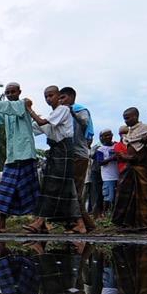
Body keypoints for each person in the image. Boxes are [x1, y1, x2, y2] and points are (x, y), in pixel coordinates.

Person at [23, 86, 87, 234]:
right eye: (46, 96)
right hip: (55, 150)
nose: (48, 99)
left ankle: (40, 221)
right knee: (61, 187)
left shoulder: (62, 110)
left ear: (58, 96)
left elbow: (41, 122)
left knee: (54, 186)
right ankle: (78, 223)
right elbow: (37, 127)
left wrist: (29, 109)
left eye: (51, 95)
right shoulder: (54, 114)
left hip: (63, 149)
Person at [0, 83, 40, 233]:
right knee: (5, 189)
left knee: (31, 191)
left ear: (19, 92)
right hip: (12, 157)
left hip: (26, 154)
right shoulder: (7, 112)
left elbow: (12, 108)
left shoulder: (23, 104)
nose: (10, 94)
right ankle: (1, 224)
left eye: (13, 92)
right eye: (7, 92)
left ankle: (40, 223)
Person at [111, 108, 147, 232]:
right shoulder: (128, 133)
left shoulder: (145, 128)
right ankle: (127, 223)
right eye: (124, 118)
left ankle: (142, 224)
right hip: (130, 167)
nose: (126, 121)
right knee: (126, 194)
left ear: (136, 116)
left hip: (142, 168)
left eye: (128, 118)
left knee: (143, 196)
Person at [58, 87, 96, 231]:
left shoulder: (80, 110)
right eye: (60, 98)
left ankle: (85, 223)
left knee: (76, 191)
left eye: (63, 98)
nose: (61, 101)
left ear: (72, 97)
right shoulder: (61, 113)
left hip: (79, 155)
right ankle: (76, 222)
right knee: (69, 190)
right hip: (67, 155)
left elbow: (84, 123)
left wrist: (72, 112)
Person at [96, 130, 120, 216]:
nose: (108, 137)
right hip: (108, 177)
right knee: (108, 197)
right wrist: (112, 158)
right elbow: (100, 162)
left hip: (119, 175)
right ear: (102, 138)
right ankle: (105, 214)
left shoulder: (117, 145)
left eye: (109, 135)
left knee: (117, 197)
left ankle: (114, 214)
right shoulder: (100, 149)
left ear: (112, 135)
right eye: (105, 136)